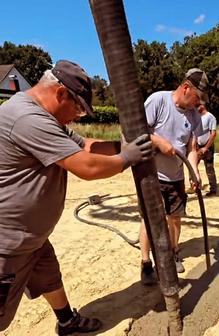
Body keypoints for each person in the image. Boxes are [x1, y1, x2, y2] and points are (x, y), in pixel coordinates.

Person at [0, 60, 152, 335]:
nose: (77, 116)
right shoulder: (27, 118)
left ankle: (67, 321)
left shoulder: (46, 117)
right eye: (78, 108)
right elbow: (87, 166)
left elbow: (88, 146)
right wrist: (129, 158)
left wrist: (126, 146)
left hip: (32, 238)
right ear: (60, 94)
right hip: (7, 244)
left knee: (49, 278)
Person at [139, 68, 209, 285]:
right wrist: (159, 142)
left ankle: (173, 252)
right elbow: (138, 132)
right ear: (186, 87)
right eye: (196, 97)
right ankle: (146, 264)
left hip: (176, 176)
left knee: (175, 217)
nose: (198, 103)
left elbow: (191, 147)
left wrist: (194, 171)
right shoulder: (158, 101)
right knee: (149, 220)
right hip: (151, 175)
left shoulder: (194, 115)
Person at [196, 104, 217, 196]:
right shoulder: (196, 117)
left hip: (207, 146)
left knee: (209, 168)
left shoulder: (210, 117)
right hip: (197, 145)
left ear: (203, 105)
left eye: (198, 105)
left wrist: (206, 147)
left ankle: (213, 189)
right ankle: (196, 186)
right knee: (193, 165)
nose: (196, 107)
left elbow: (213, 134)